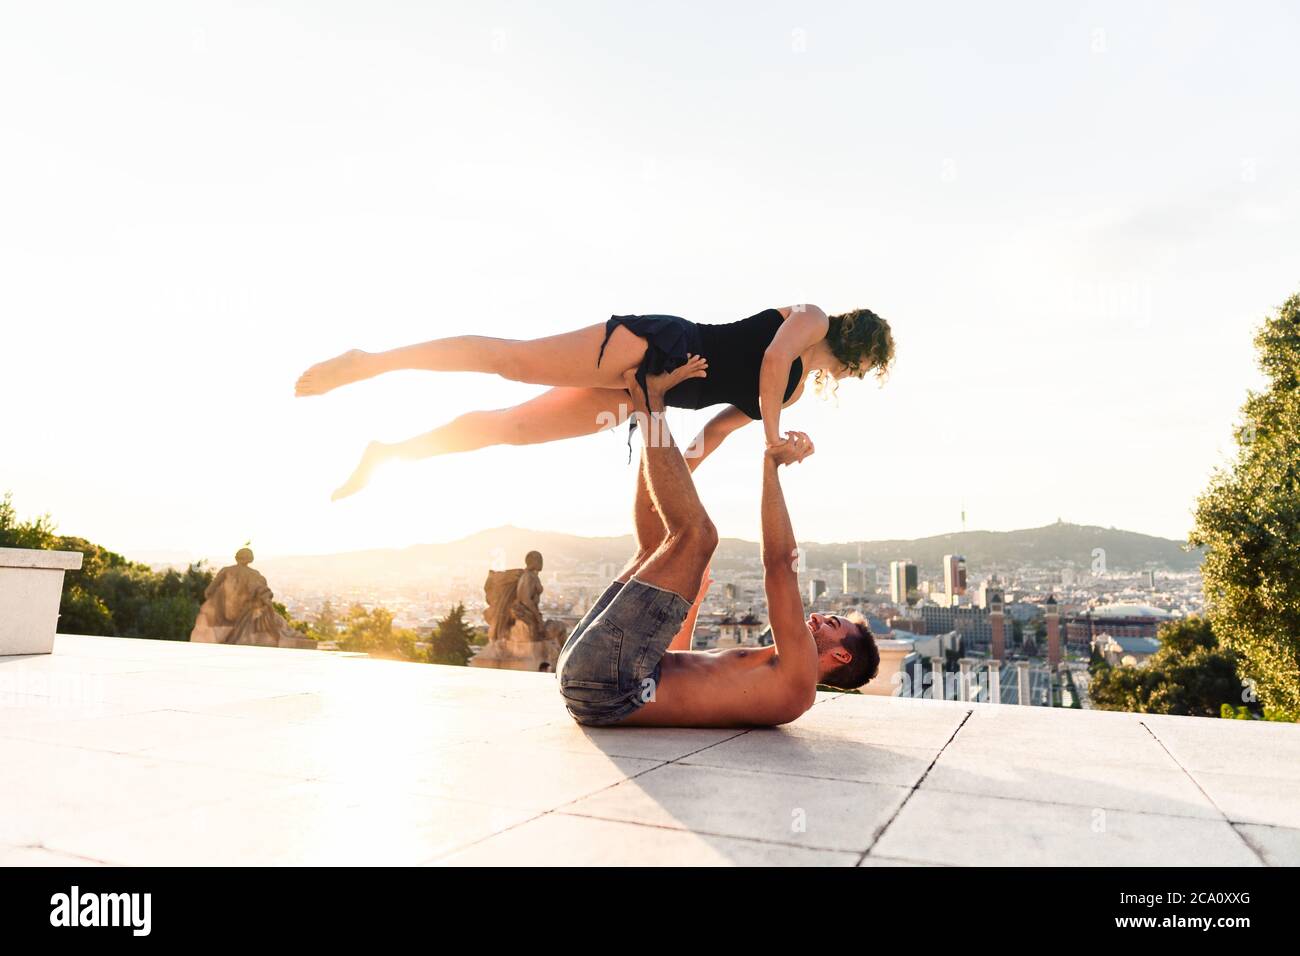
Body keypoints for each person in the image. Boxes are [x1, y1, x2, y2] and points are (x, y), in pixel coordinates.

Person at [555, 364, 880, 728]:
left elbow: (779, 565)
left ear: (842, 656)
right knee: (657, 543)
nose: (819, 617)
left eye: (833, 623)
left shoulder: (798, 684)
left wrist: (771, 466)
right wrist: (688, 609)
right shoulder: (768, 674)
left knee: (700, 536)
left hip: (609, 686)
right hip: (598, 681)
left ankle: (649, 402)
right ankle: (646, 407)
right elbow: (676, 669)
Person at [294, 304, 893, 500]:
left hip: (644, 396)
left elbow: (714, 432)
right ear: (861, 346)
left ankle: (389, 453)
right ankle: (370, 362)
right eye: (869, 365)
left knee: (517, 430)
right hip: (658, 346)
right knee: (515, 362)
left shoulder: (790, 393)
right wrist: (775, 436)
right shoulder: (809, 320)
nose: (861, 375)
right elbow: (767, 360)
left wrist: (685, 476)